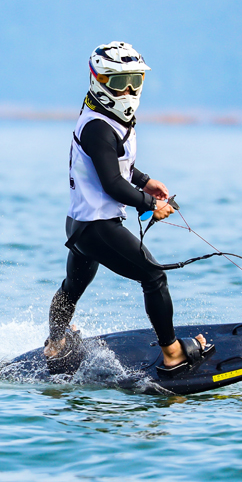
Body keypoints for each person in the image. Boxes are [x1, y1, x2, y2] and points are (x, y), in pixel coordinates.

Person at [45, 41, 209, 374]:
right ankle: (173, 353)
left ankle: (55, 342)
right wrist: (150, 204)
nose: (130, 89)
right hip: (99, 227)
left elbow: (116, 166)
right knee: (154, 276)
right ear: (99, 80)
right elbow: (112, 183)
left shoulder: (103, 118)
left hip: (80, 224)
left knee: (73, 285)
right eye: (121, 82)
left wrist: (145, 181)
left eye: (136, 80)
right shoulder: (97, 127)